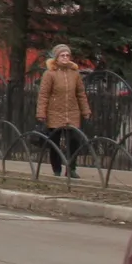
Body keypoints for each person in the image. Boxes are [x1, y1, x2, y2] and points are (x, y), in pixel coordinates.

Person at [35, 43, 91, 178]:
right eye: (62, 55)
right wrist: (41, 112)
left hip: (72, 112)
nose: (65, 58)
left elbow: (80, 94)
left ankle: (71, 169)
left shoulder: (75, 73)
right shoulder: (50, 74)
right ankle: (57, 169)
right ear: (56, 58)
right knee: (54, 142)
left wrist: (85, 110)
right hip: (54, 112)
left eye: (67, 55)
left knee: (74, 141)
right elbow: (43, 94)